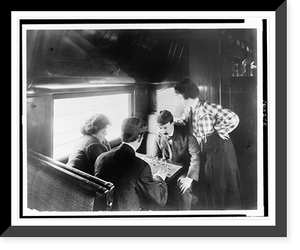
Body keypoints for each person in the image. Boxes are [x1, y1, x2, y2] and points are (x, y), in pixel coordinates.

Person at [174, 79, 242, 209]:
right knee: (211, 182)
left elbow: (233, 118)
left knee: (221, 183)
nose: (179, 98)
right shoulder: (188, 109)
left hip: (219, 147)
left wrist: (219, 130)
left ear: (187, 96)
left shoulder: (207, 106)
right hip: (206, 148)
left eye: (180, 95)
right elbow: (185, 121)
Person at [94, 117, 168, 211]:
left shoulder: (101, 158)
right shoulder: (141, 167)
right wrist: (159, 177)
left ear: (122, 135)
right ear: (140, 137)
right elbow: (160, 199)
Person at [153, 110, 201, 210]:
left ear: (172, 123)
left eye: (164, 128)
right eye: (160, 128)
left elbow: (196, 158)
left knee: (184, 186)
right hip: (167, 169)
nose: (162, 131)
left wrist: (189, 178)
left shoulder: (187, 136)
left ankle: (184, 215)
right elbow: (156, 158)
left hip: (184, 170)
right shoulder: (158, 137)